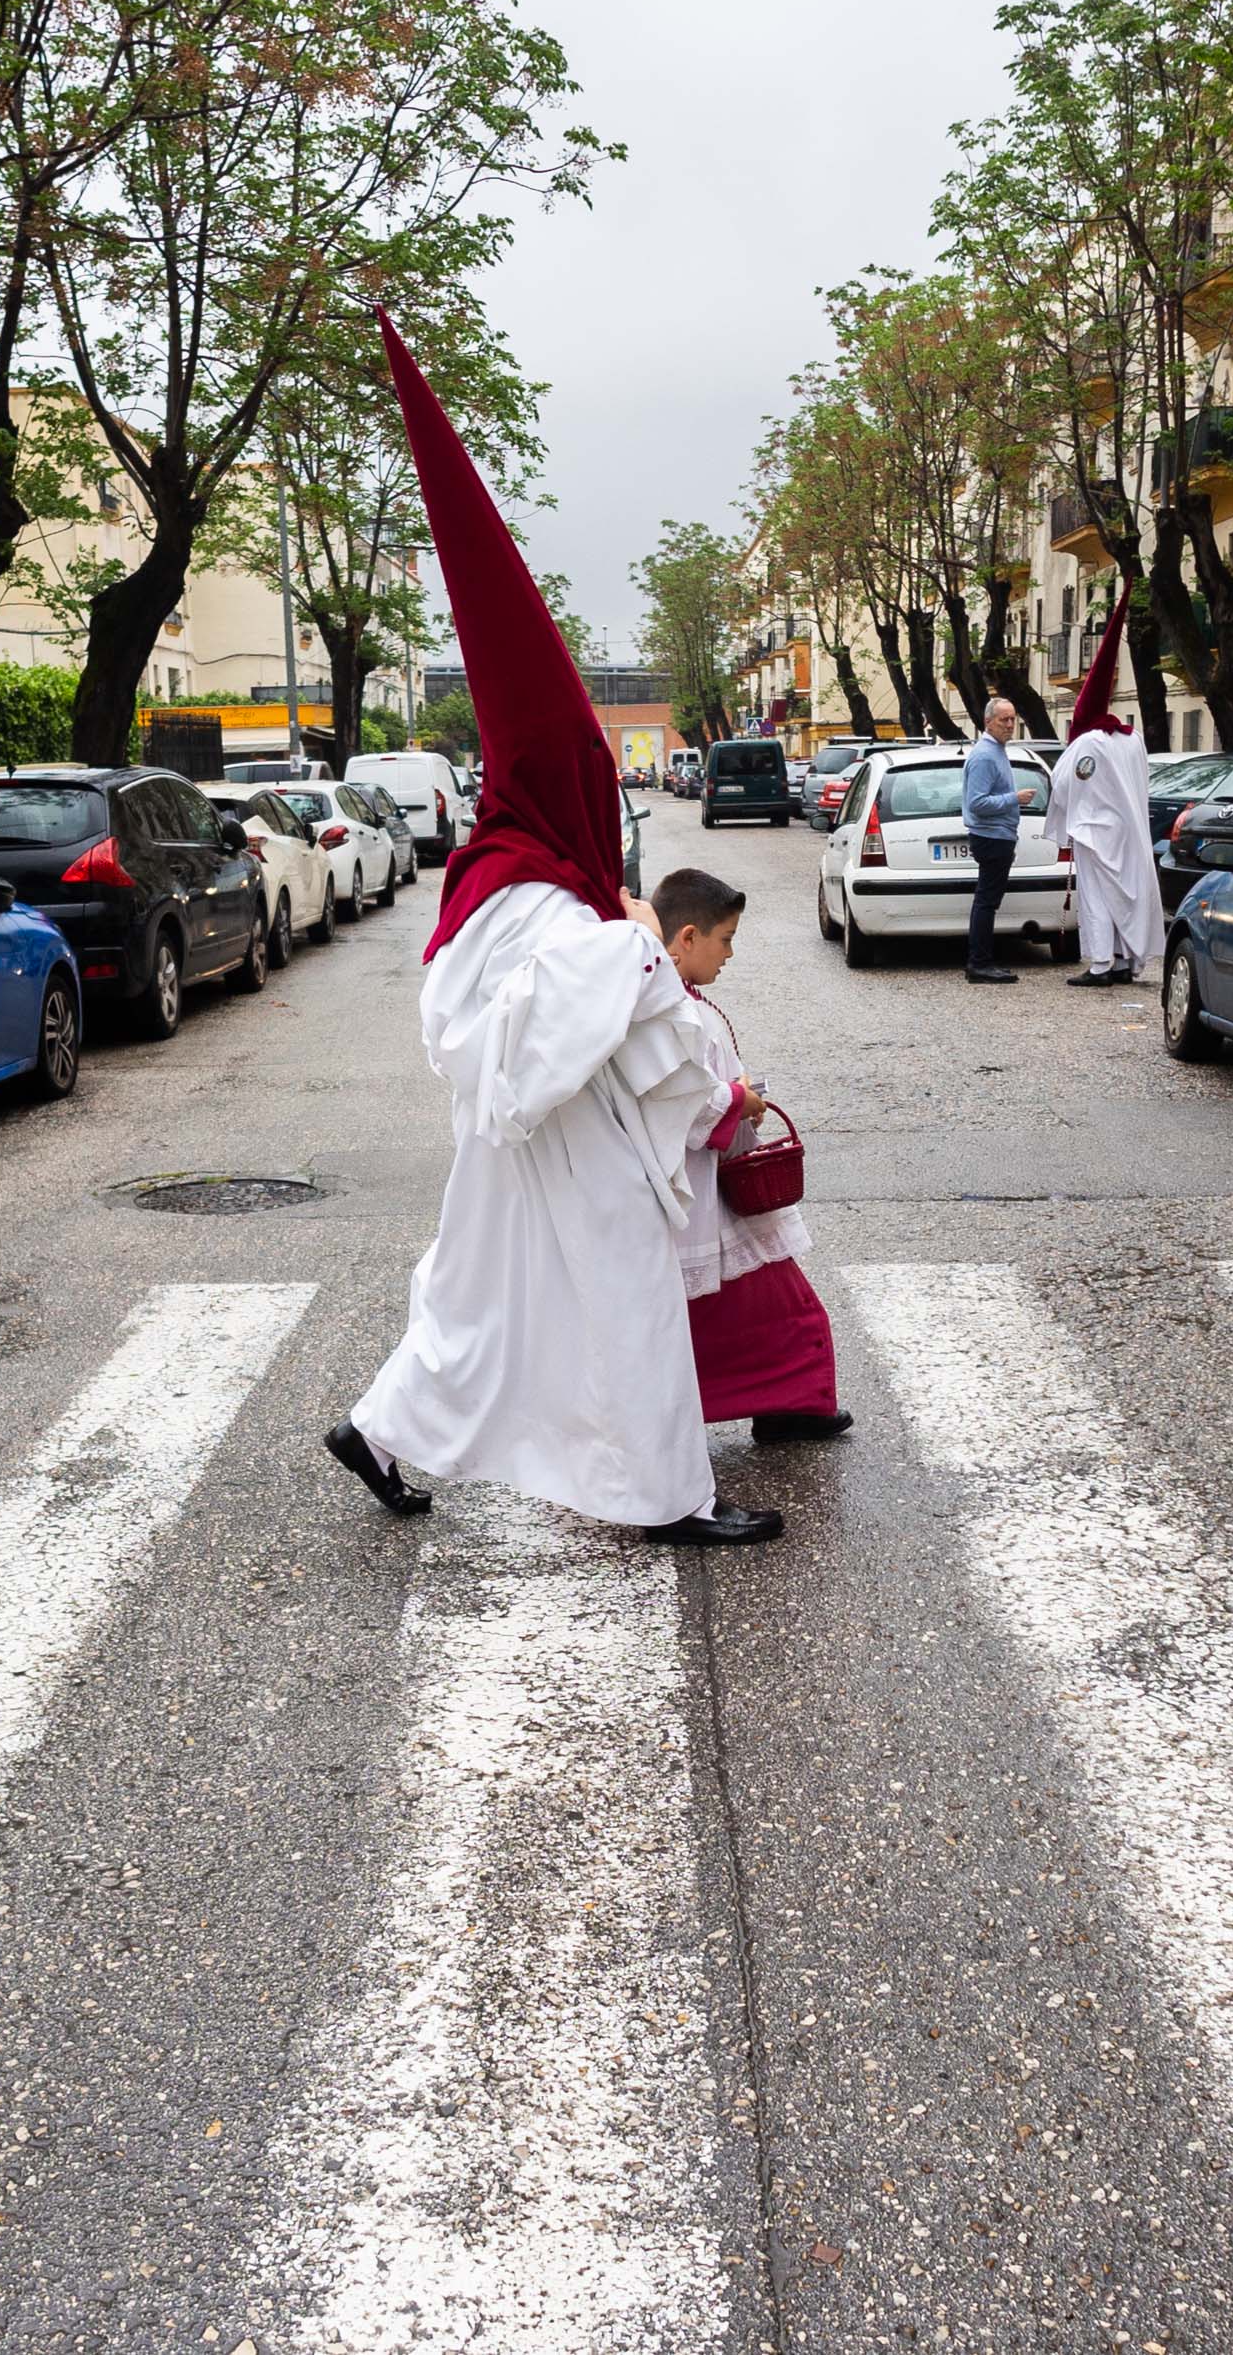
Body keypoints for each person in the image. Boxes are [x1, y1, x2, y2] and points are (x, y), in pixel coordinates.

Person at [321, 312, 783, 1547]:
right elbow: (515, 1014)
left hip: (527, 1141)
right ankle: (667, 1497)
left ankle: (380, 1431)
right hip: (560, 1138)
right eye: (588, 776)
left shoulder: (513, 870)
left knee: (482, 1307)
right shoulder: (521, 881)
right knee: (622, 1297)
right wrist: (633, 941)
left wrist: (616, 934)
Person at [652, 866, 847, 1443]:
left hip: (699, 1183)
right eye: (726, 939)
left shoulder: (679, 1002)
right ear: (689, 937)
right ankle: (790, 1399)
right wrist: (739, 1101)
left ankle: (788, 1400)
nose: (730, 954)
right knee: (777, 1308)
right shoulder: (673, 1011)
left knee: (759, 1306)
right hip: (696, 1189)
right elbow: (678, 1097)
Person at [1059, 587, 1155, 986]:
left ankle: (1100, 964)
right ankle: (1123, 960)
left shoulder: (1088, 743)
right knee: (1125, 895)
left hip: (1095, 832)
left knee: (1098, 898)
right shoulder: (1132, 738)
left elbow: (1062, 783)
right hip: (1129, 832)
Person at [961, 696, 1023, 983]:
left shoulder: (996, 750)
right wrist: (1014, 798)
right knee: (986, 901)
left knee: (987, 900)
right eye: (1003, 720)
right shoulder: (985, 755)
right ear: (988, 722)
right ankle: (979, 964)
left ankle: (981, 961)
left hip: (999, 835)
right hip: (991, 836)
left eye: (1012, 719)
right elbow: (977, 803)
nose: (1010, 725)